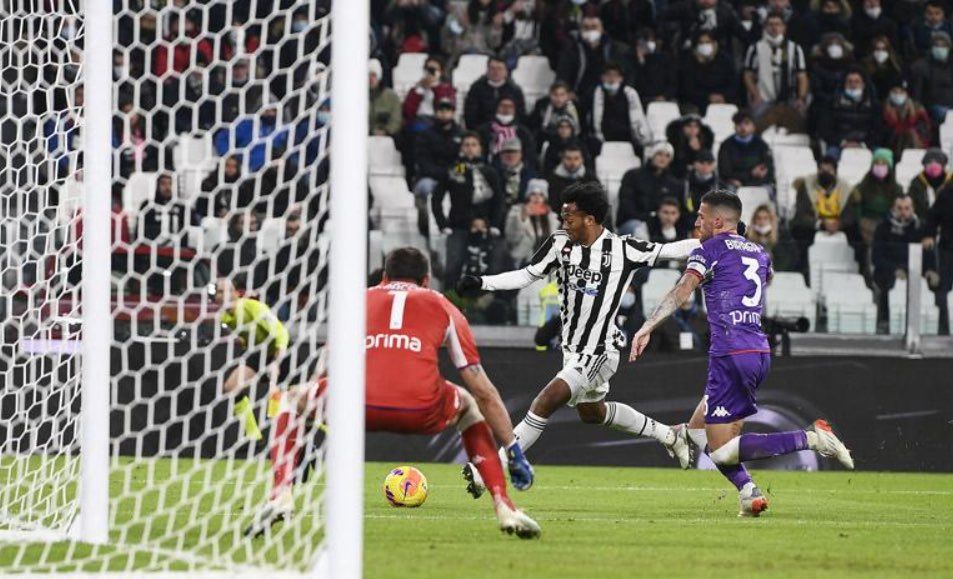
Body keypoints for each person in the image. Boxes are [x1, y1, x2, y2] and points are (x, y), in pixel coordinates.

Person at [246, 248, 541, 538]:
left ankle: (280, 494)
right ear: (426, 280)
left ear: (384, 277)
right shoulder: (444, 306)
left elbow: (328, 364)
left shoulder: (356, 300)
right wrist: (513, 451)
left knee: (290, 400)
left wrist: (310, 421)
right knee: (469, 405)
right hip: (421, 407)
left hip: (356, 402)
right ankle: (504, 506)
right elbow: (483, 390)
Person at [629, 190, 854, 517]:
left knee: (721, 452)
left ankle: (812, 438)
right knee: (698, 431)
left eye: (701, 217)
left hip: (730, 353)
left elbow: (683, 290)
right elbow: (767, 277)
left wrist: (647, 326)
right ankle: (749, 493)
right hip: (757, 350)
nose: (697, 222)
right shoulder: (760, 252)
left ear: (718, 220)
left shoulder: (708, 249)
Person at [457, 181, 696, 475]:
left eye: (569, 217)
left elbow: (673, 249)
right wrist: (483, 282)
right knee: (593, 412)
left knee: (545, 401)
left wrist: (723, 240)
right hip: (572, 350)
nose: (563, 223)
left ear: (589, 219)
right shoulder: (560, 244)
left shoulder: (623, 249)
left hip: (600, 350)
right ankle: (670, 435)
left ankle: (491, 469)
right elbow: (527, 275)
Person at [213, 278, 289, 445]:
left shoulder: (253, 307)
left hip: (281, 350)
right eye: (219, 292)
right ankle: (254, 437)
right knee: (231, 387)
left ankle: (283, 438)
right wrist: (244, 341)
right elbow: (246, 334)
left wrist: (276, 363)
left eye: (225, 291)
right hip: (258, 353)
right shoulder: (224, 318)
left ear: (236, 293)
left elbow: (281, 334)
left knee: (282, 397)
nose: (221, 295)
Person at [431, 132, 506, 288]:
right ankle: (450, 300)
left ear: (480, 148)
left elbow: (499, 200)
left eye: (474, 145)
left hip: (486, 227)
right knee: (453, 268)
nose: (470, 148)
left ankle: (489, 301)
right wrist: (443, 224)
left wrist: (494, 225)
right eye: (466, 145)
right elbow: (436, 198)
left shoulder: (490, 171)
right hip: (459, 226)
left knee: (495, 267)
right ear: (461, 148)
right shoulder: (454, 170)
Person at [742, 11, 809, 133]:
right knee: (757, 127)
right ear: (765, 27)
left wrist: (801, 98)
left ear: (784, 27)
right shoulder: (755, 48)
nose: (774, 28)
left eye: (778, 24)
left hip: (789, 98)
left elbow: (802, 76)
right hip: (763, 98)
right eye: (770, 24)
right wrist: (755, 95)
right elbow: (748, 75)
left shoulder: (795, 49)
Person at [872, 195, 930, 332]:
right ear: (893, 209)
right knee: (887, 282)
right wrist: (894, 270)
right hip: (888, 271)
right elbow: (876, 257)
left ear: (913, 209)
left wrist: (930, 270)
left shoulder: (920, 228)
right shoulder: (883, 228)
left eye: (906, 208)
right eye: (899, 208)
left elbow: (928, 255)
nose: (903, 212)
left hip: (914, 270)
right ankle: (885, 322)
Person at [556, 16, 632, 106]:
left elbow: (624, 73)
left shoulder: (613, 49)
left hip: (607, 97)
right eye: (586, 27)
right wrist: (567, 92)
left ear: (602, 29)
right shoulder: (572, 49)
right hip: (578, 97)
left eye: (594, 27)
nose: (590, 31)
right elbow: (563, 74)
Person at [791, 155, 854, 258]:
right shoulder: (806, 186)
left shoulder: (844, 188)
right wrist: (821, 224)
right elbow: (801, 214)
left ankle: (860, 265)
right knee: (800, 231)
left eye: (829, 170)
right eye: (822, 170)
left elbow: (850, 215)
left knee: (855, 232)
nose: (825, 173)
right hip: (815, 224)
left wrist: (839, 224)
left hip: (838, 223)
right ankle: (803, 265)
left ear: (835, 172)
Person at [616, 141, 683, 236]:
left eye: (667, 155)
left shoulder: (673, 183)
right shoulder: (632, 176)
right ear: (652, 155)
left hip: (661, 223)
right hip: (633, 222)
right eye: (659, 154)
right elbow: (626, 205)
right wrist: (649, 219)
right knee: (640, 231)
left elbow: (675, 208)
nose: (663, 158)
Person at [586, 62, 652, 155]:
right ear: (602, 77)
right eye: (608, 75)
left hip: (627, 137)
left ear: (621, 78)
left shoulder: (630, 94)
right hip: (602, 138)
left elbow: (638, 119)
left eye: (615, 75)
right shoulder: (593, 94)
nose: (611, 79)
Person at [820, 67, 881, 156]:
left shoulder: (874, 105)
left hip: (868, 145)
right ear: (844, 84)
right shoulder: (832, 104)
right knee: (829, 158)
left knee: (883, 156)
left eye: (857, 81)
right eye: (849, 81)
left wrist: (863, 144)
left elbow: (878, 131)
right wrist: (842, 142)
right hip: (839, 146)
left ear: (863, 85)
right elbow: (825, 130)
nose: (853, 85)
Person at [850, 148, 903, 247]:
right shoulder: (862, 186)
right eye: (877, 163)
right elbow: (856, 211)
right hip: (866, 222)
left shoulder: (897, 188)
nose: (880, 166)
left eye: (883, 163)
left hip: (887, 222)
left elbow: (897, 211)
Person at [678, 30, 738, 114]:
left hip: (723, 101)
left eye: (708, 42)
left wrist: (723, 97)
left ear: (714, 44)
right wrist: (708, 97)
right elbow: (688, 89)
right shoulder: (688, 62)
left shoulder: (725, 61)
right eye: (701, 43)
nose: (705, 46)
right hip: (697, 103)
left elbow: (733, 84)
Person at [923, 179, 953, 334]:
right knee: (942, 289)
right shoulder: (947, 194)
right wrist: (929, 235)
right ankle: (943, 330)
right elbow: (932, 218)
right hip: (948, 248)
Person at [506, 179, 559, 266]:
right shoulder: (516, 212)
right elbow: (512, 239)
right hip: (522, 262)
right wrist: (522, 218)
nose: (537, 197)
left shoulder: (551, 216)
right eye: (533, 194)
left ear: (545, 198)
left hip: (545, 263)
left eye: (541, 195)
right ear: (528, 196)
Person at [464, 56, 526, 130]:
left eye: (500, 69)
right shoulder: (476, 89)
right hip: (482, 130)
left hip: (510, 130)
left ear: (506, 71)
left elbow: (520, 115)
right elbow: (470, 115)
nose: (496, 72)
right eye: (492, 68)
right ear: (487, 70)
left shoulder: (514, 90)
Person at [717, 110, 774, 188]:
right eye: (739, 124)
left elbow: (769, 170)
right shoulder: (726, 146)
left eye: (746, 123)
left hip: (758, 184)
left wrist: (760, 175)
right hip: (734, 185)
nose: (742, 127)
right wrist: (750, 173)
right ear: (734, 126)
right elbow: (725, 173)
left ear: (753, 126)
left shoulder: (762, 145)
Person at [477, 97, 537, 167]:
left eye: (510, 106)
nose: (506, 109)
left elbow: (530, 155)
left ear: (515, 110)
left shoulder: (523, 132)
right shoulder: (484, 130)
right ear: (496, 108)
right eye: (503, 106)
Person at [909, 31, 953, 124]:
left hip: (950, 104)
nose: (940, 48)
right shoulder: (921, 66)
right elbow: (917, 93)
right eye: (937, 45)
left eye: (943, 46)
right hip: (933, 106)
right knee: (946, 115)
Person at [882, 81, 933, 156]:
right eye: (895, 92)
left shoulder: (918, 109)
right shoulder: (883, 109)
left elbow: (925, 130)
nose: (897, 95)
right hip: (889, 146)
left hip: (914, 146)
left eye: (901, 92)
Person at [545, 143, 599, 211]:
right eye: (568, 158)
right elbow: (552, 205)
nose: (572, 162)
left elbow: (598, 203)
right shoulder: (553, 179)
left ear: (582, 160)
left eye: (576, 158)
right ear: (562, 159)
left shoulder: (591, 179)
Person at [747, 203, 799, 271]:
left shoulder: (783, 238)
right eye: (759, 218)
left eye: (765, 218)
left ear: (771, 220)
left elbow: (788, 259)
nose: (762, 222)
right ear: (754, 221)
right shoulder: (747, 240)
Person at [528, 81, 581, 148]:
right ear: (550, 94)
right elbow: (534, 125)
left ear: (568, 96)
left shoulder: (575, 107)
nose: (559, 99)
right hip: (546, 140)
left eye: (562, 95)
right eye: (555, 95)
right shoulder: (542, 105)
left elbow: (578, 129)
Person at [908, 149, 952, 220]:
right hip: (923, 221)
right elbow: (911, 204)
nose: (933, 165)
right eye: (929, 162)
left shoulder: (950, 181)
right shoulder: (917, 182)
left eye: (938, 162)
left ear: (943, 165)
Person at [492, 137, 536, 209]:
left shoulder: (531, 175)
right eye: (507, 152)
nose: (510, 155)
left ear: (521, 154)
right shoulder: (493, 174)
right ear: (501, 155)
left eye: (514, 152)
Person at [861, 35, 904, 101]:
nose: (880, 52)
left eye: (883, 49)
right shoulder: (864, 67)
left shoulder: (894, 69)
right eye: (877, 49)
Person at [368, 58, 402, 137]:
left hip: (387, 135)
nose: (370, 79)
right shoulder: (358, 98)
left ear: (379, 77)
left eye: (373, 75)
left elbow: (396, 119)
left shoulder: (391, 96)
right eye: (368, 75)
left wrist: (386, 131)